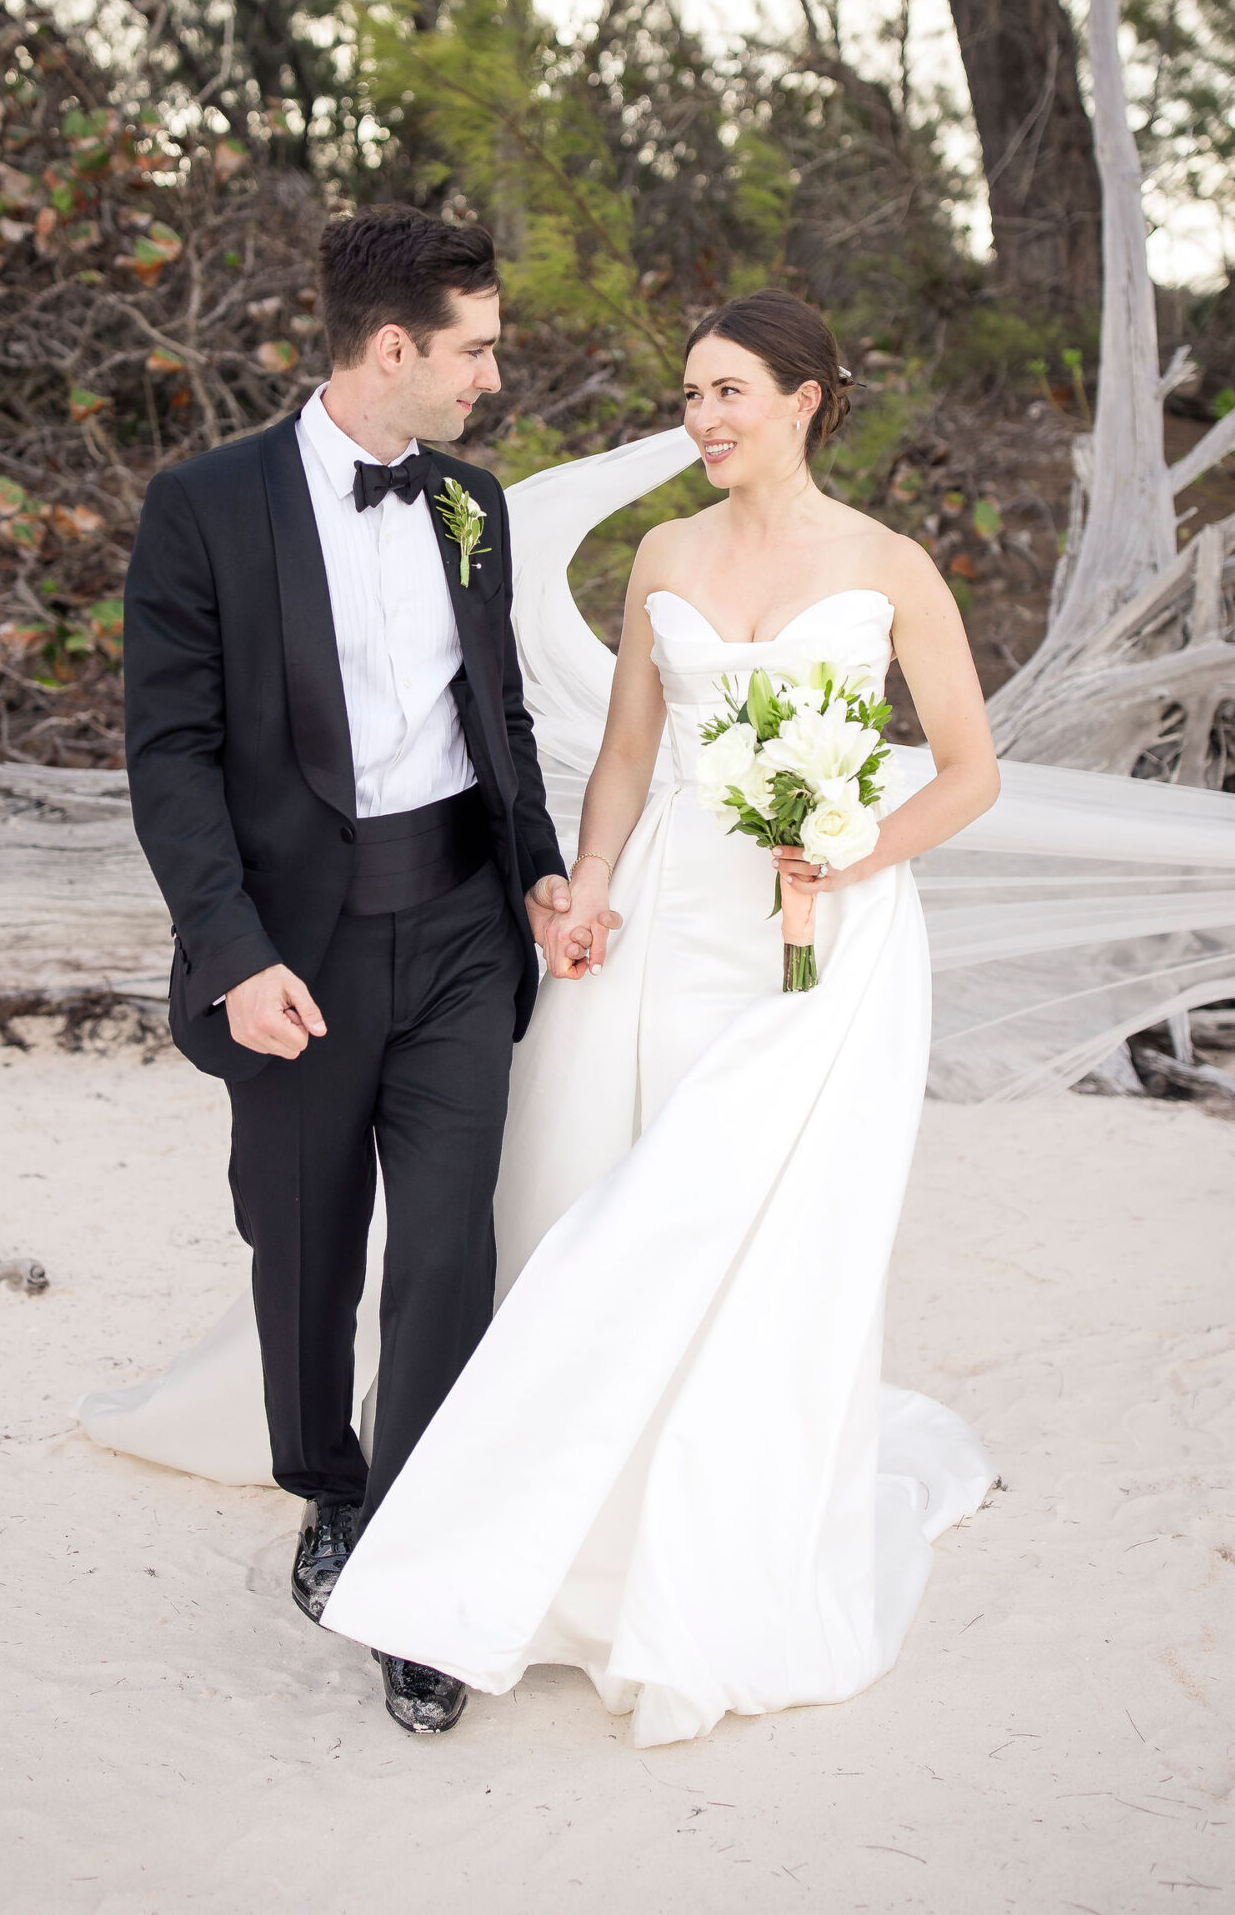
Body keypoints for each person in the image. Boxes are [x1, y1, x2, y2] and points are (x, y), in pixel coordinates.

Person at [318, 289, 1005, 1745]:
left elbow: (967, 769)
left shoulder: (888, 566)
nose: (702, 418)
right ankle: (552, 1534)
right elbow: (630, 750)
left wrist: (854, 850)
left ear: (805, 399)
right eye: (690, 393)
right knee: (601, 1201)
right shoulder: (665, 554)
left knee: (740, 1221)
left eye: (729, 391)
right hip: (667, 915)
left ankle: (707, 1536)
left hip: (820, 938)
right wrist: (587, 887)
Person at [120, 207, 573, 1737]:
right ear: (393, 348)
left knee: (446, 1249)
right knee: (305, 1244)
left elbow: (499, 714)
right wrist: (232, 954)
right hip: (294, 955)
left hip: (459, 933)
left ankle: (413, 1567)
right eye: (475, 351)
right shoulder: (203, 507)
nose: (490, 379)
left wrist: (540, 871)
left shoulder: (473, 506)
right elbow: (171, 757)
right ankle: (327, 1483)